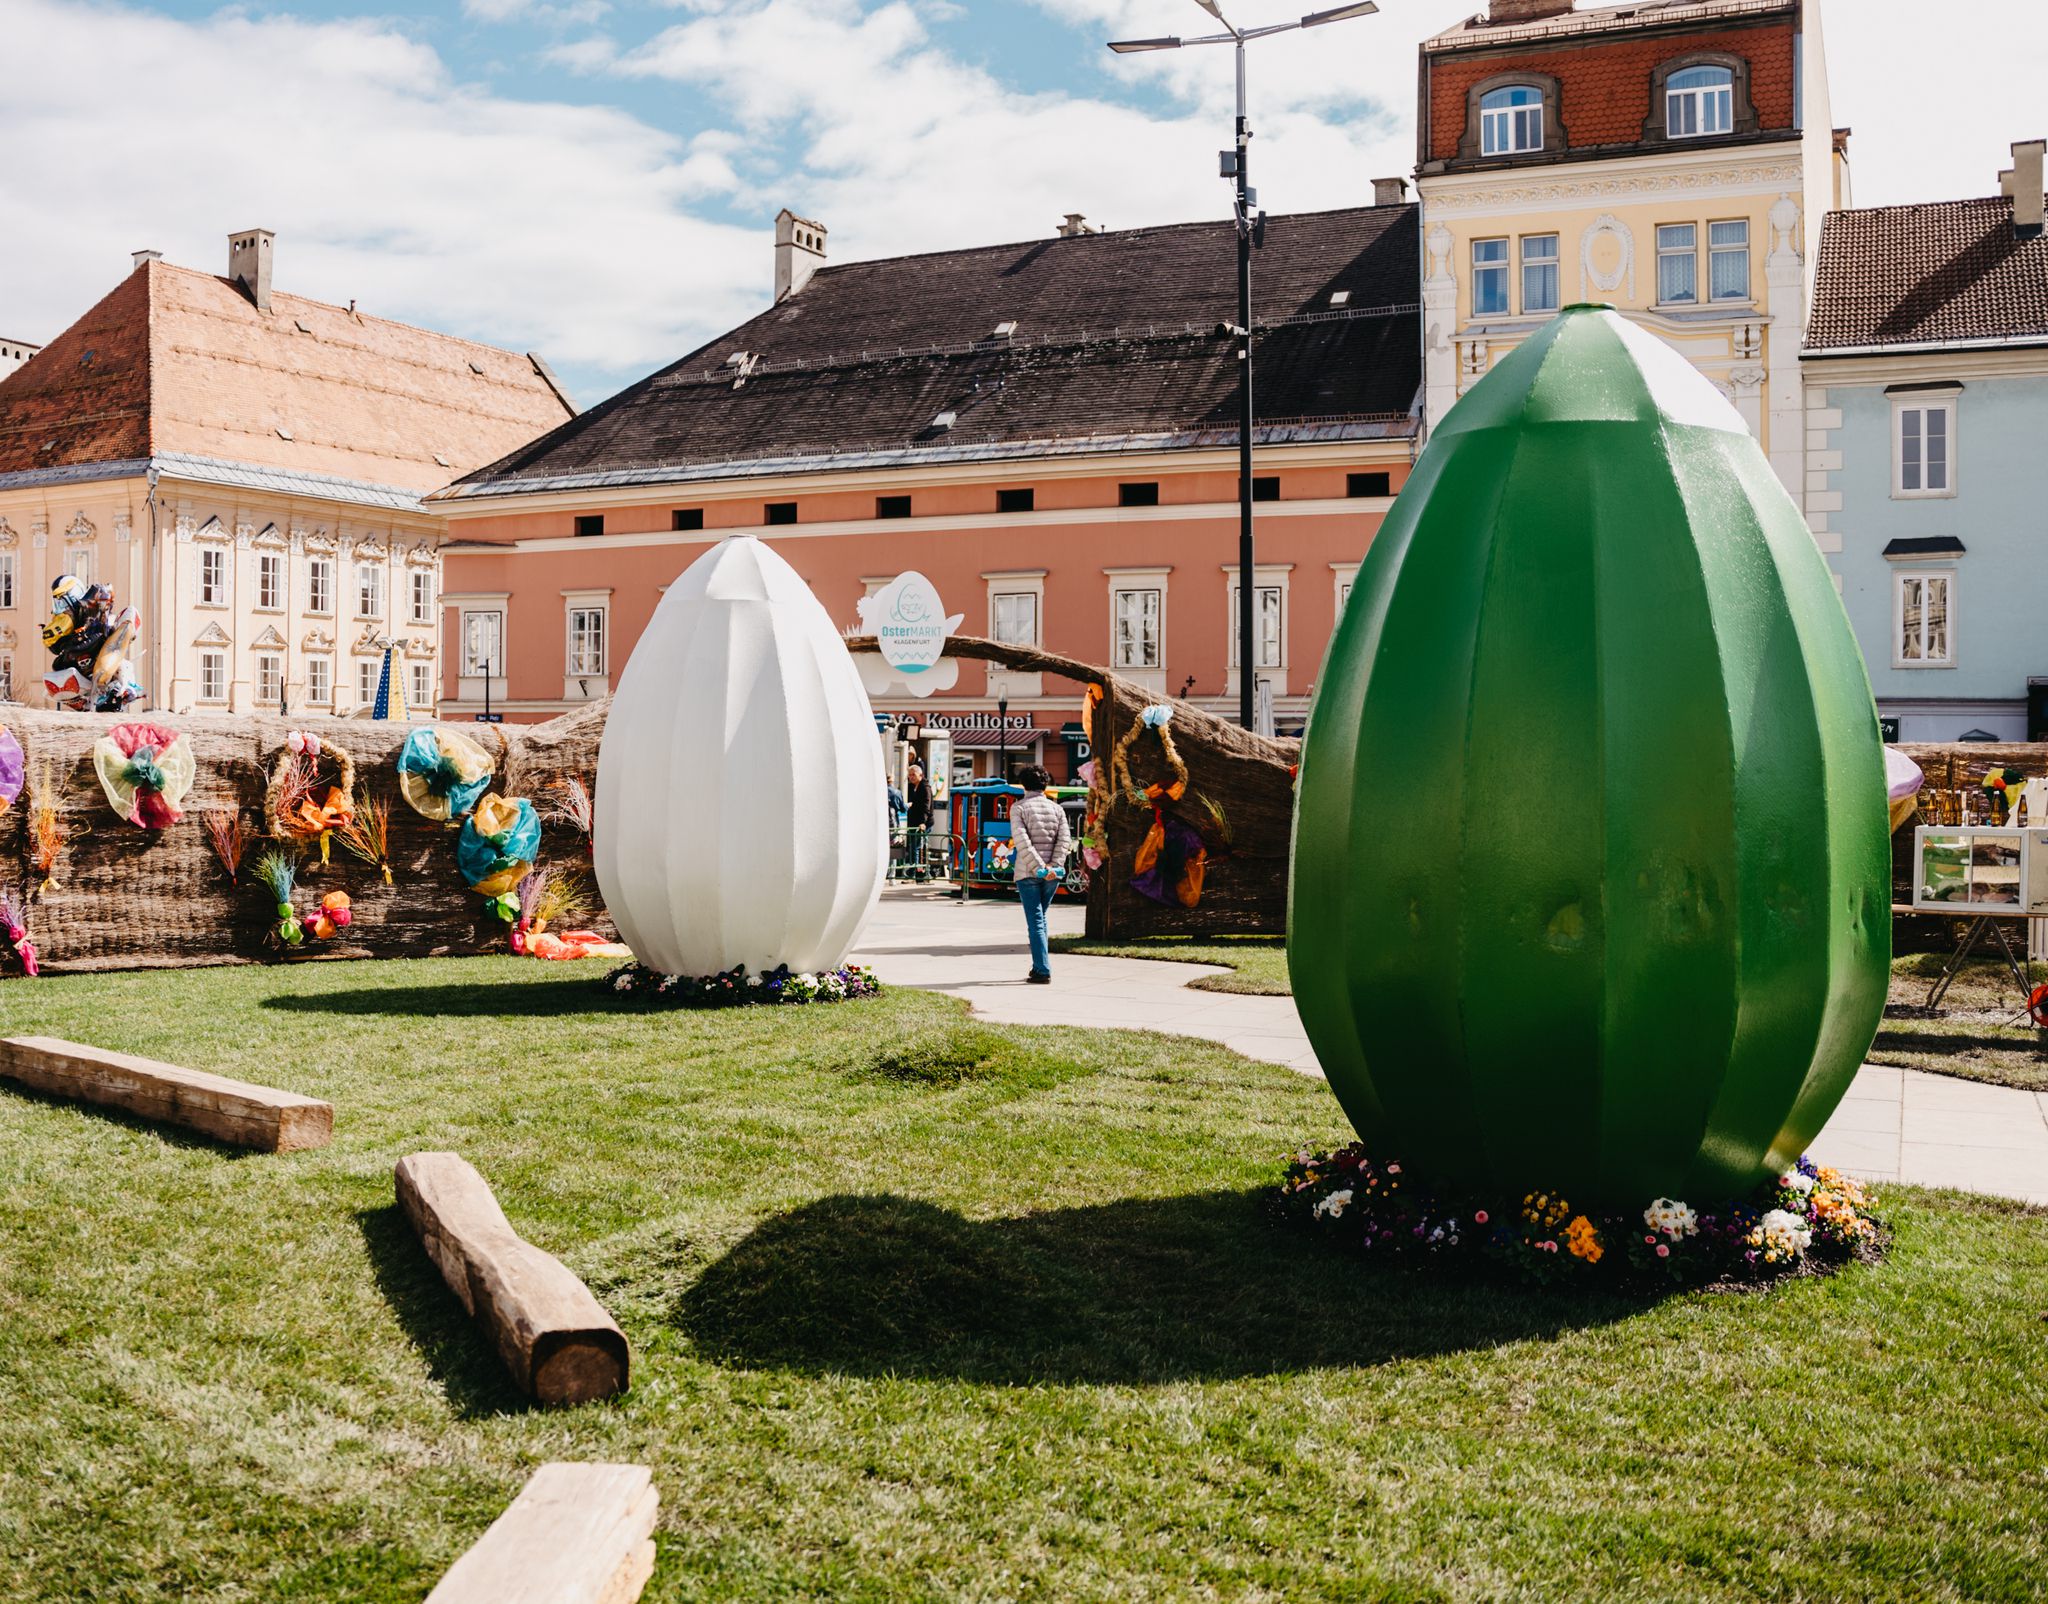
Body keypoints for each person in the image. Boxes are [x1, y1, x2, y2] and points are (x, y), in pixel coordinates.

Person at [1008, 765, 1070, 984]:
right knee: (1041, 920)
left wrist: (1037, 867)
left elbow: (1022, 841)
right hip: (1052, 875)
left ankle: (1042, 970)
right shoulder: (1058, 809)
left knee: (1035, 921)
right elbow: (1064, 841)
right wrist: (1053, 867)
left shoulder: (1018, 808)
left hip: (1028, 873)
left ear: (1023, 784)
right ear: (1046, 784)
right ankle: (1038, 966)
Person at [904, 763, 932, 880]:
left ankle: (915, 873)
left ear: (920, 775)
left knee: (917, 847)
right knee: (913, 847)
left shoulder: (925, 788)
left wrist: (923, 822)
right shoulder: (912, 787)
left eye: (913, 775)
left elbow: (926, 806)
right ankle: (915, 871)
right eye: (909, 775)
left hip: (922, 823)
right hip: (913, 821)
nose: (911, 777)